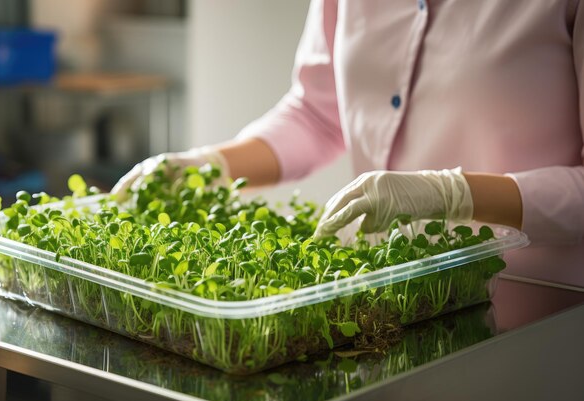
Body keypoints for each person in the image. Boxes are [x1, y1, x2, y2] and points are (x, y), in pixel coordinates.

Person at [113, 0, 584, 288]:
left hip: (537, 305)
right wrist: (207, 166)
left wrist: (454, 194)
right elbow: (318, 113)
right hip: (390, 287)